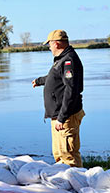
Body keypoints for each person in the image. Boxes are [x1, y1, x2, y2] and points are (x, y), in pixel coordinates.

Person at [32, 30, 85, 167]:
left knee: (68, 156)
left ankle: (76, 184)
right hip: (59, 116)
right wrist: (39, 81)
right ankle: (66, 185)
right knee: (60, 154)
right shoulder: (62, 59)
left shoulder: (68, 61)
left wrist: (62, 117)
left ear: (56, 43)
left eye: (49, 44)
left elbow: (71, 90)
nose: (49, 47)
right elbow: (55, 78)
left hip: (66, 117)